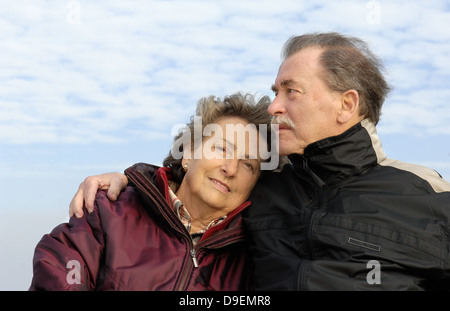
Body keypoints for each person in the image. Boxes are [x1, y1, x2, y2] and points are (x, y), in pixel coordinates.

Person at [69, 32, 450, 290]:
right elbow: (195, 185)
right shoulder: (263, 186)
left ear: (346, 104)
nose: (275, 106)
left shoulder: (429, 196)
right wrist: (128, 181)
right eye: (274, 91)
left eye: (291, 91)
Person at [30, 92, 279, 291]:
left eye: (248, 164)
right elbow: (60, 266)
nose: (230, 168)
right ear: (189, 153)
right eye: (222, 149)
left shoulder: (258, 257)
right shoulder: (109, 211)